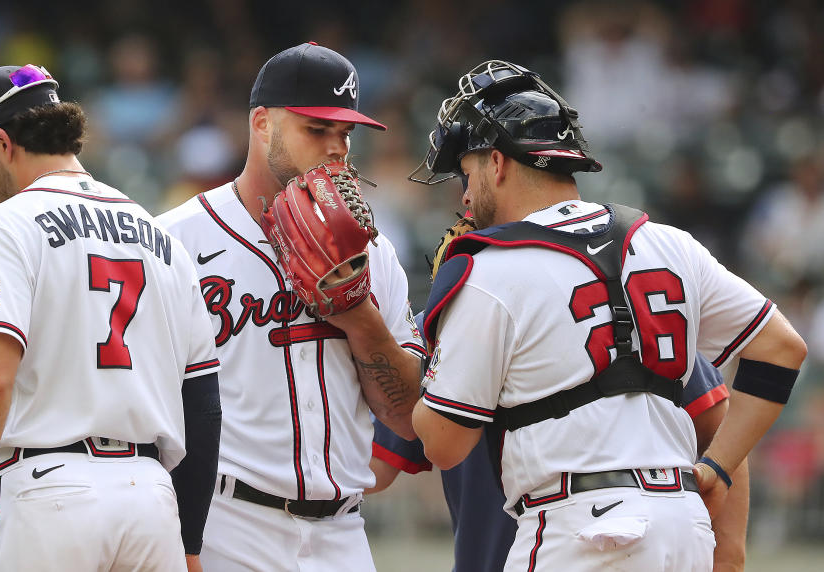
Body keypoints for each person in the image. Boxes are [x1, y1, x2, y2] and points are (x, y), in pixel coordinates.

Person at [408, 60, 806, 571]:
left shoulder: (488, 273)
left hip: (578, 529)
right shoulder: (666, 242)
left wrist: (426, 352)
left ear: (497, 163)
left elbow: (443, 444)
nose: (464, 195)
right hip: (682, 526)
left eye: (467, 172)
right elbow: (782, 348)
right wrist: (718, 469)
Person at [0, 64, 221, 571]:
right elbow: (203, 403)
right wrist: (188, 543)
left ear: (0, 141)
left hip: (47, 494)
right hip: (151, 500)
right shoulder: (160, 235)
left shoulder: (3, 225)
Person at [158, 42, 426, 571]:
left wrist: (360, 318)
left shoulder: (372, 251)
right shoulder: (175, 241)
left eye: (345, 134)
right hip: (222, 524)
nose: (336, 149)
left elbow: (408, 417)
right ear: (262, 124)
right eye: (316, 129)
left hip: (343, 531)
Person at [370, 350, 750, 571]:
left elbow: (715, 418)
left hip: (619, 549)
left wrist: (729, 555)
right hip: (493, 558)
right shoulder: (439, 326)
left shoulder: (623, 295)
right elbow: (373, 468)